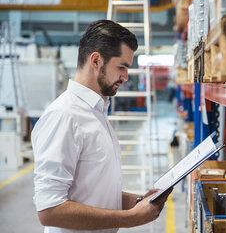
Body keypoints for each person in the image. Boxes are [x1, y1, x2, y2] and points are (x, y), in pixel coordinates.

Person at [31, 20, 172, 233]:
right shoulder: (64, 116)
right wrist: (130, 218)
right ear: (96, 60)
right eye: (121, 66)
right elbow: (49, 210)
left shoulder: (96, 112)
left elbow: (94, 191)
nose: (125, 76)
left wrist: (140, 201)